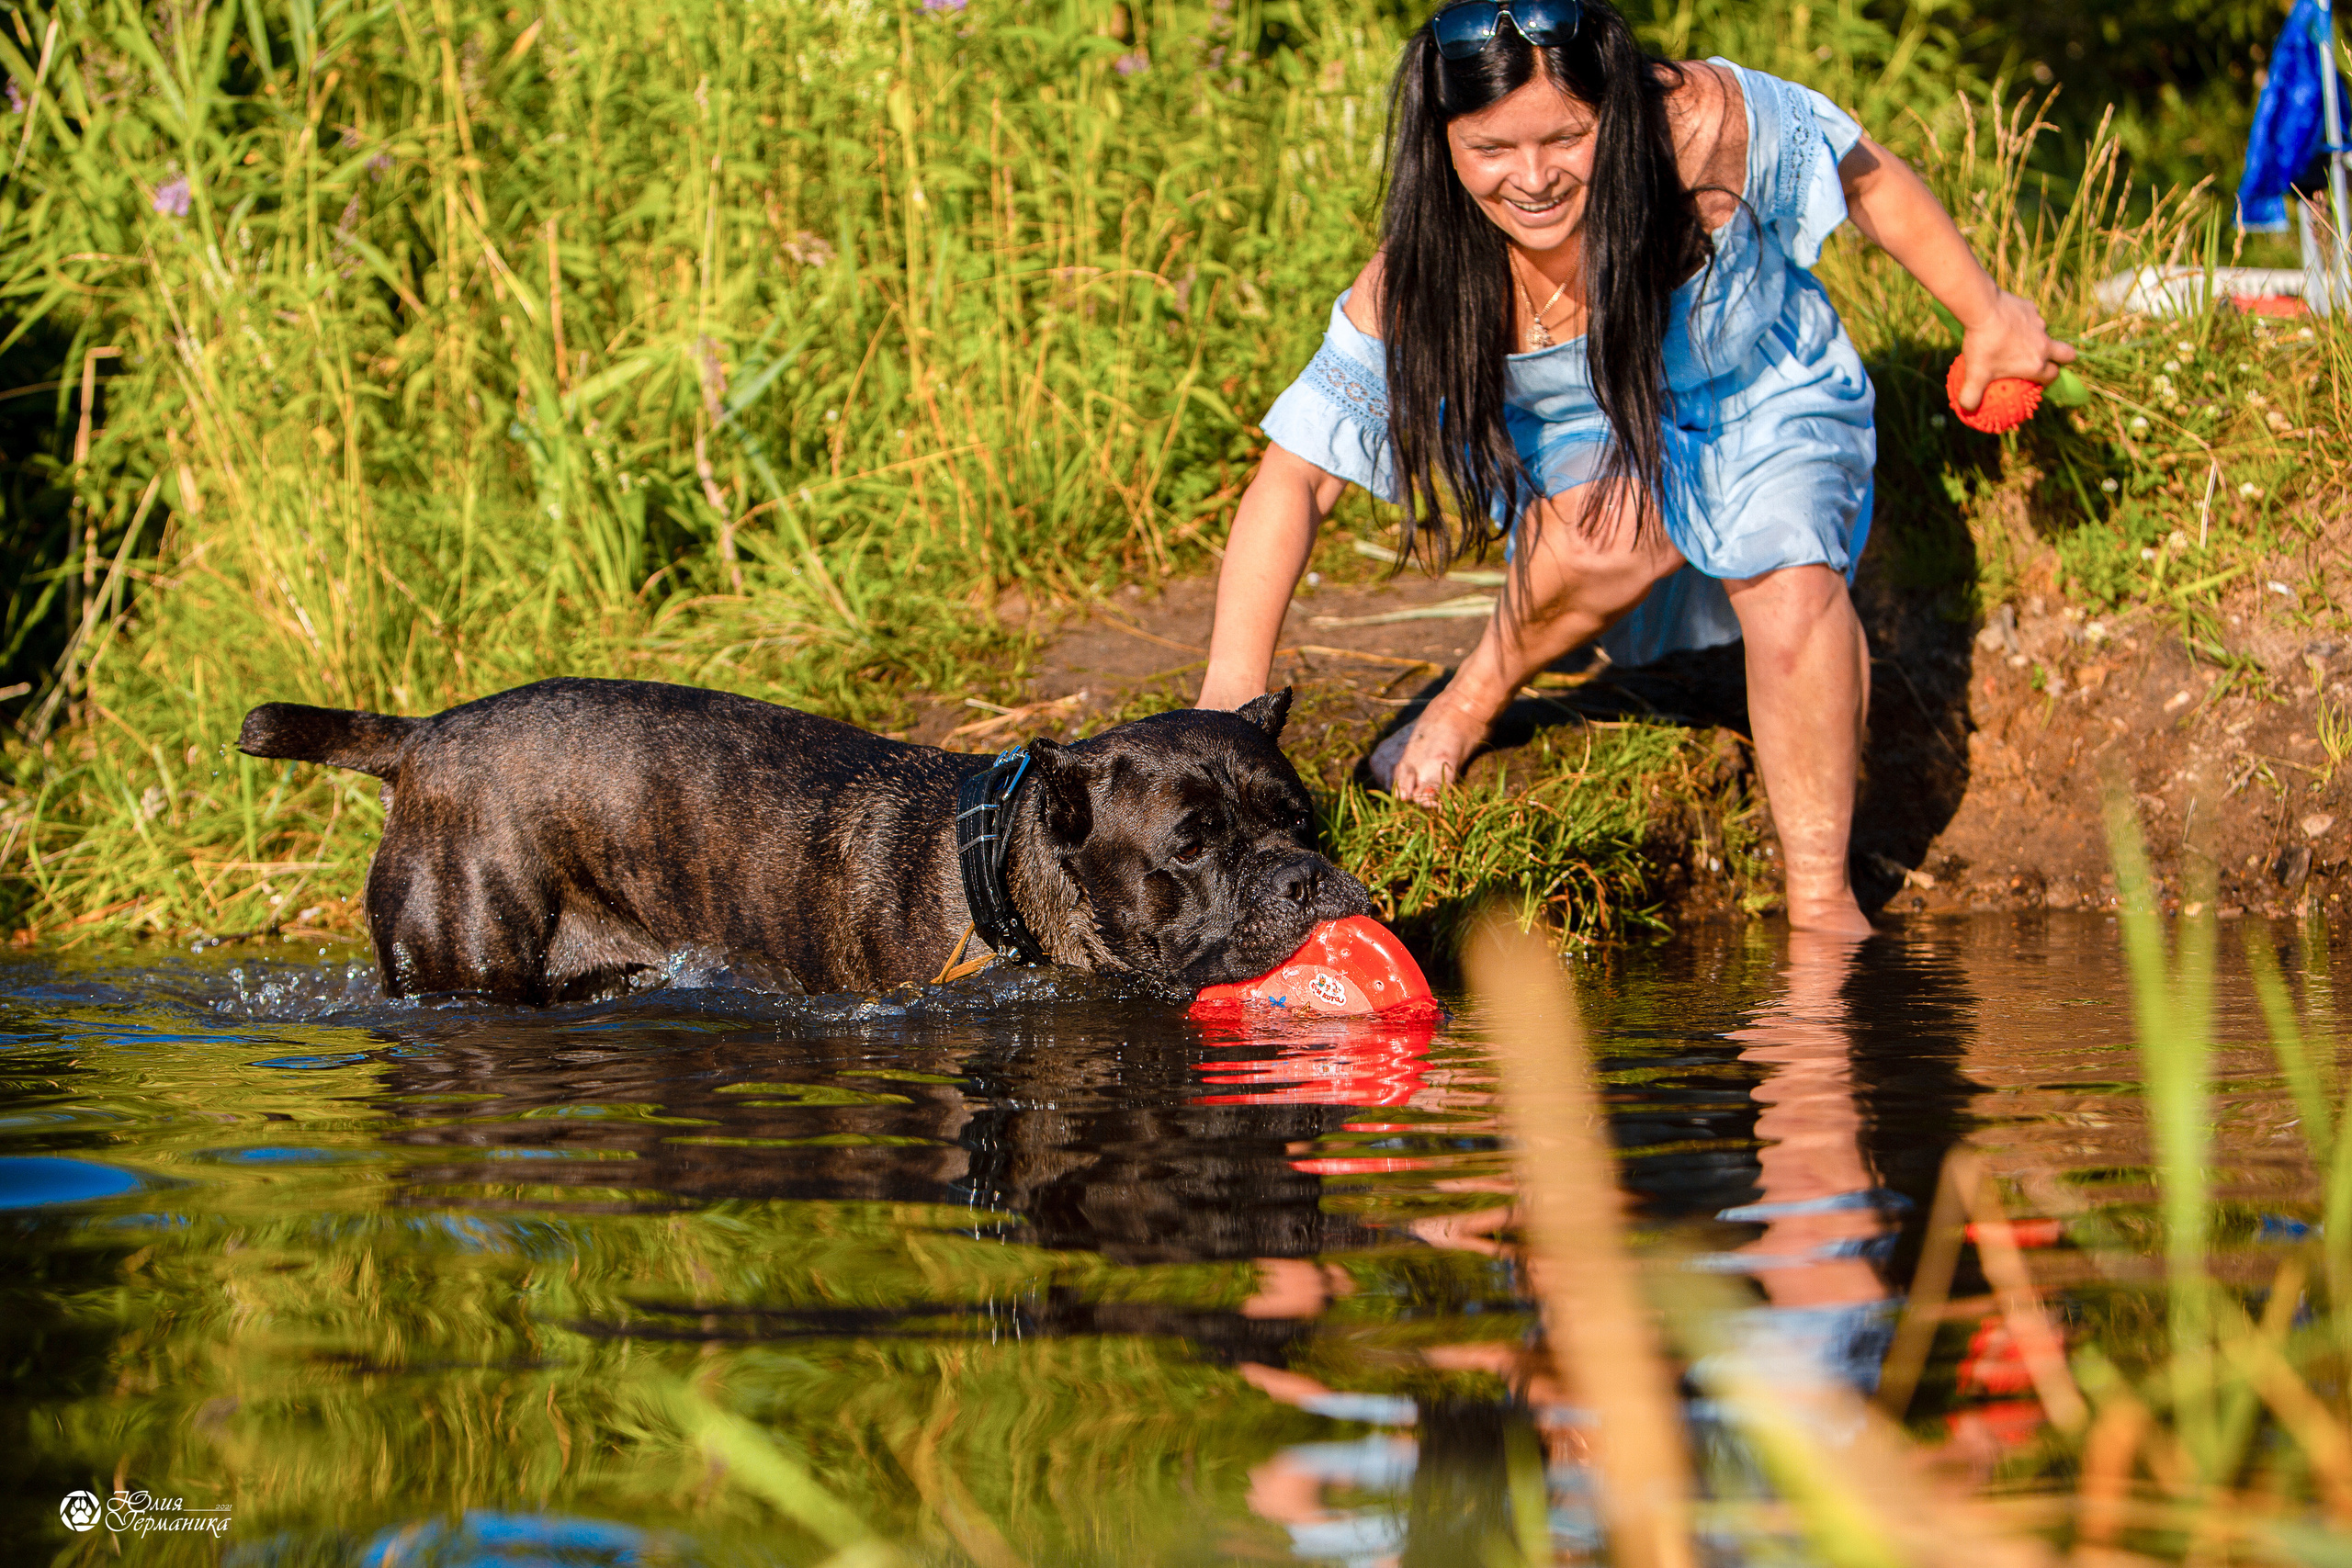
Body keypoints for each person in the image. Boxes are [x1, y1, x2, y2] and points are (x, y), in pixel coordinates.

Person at [1193, 0, 2072, 935]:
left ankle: (1823, 913)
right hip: (1594, 435)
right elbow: (1297, 478)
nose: (1532, 179)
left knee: (1785, 579)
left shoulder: (1698, 123)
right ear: (1442, 138)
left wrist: (1986, 319)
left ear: (1612, 111)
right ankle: (1472, 696)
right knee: (1609, 534)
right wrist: (1225, 705)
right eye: (1492, 149)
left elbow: (1865, 176)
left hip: (1760, 388)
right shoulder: (1414, 273)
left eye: (1566, 137)